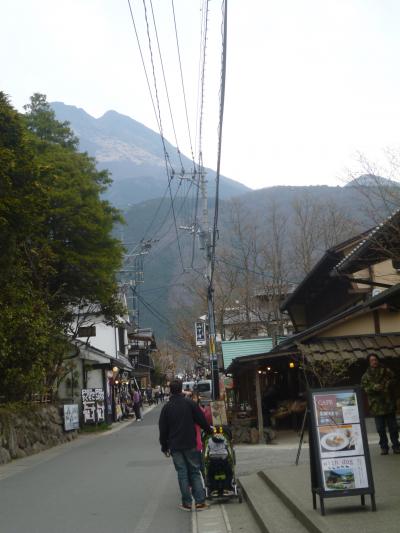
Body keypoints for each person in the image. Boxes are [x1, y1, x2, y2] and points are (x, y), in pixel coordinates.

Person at [159, 379, 212, 511]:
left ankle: (187, 503)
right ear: (181, 388)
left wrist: (164, 447)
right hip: (190, 442)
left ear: (170, 390)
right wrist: (210, 431)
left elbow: (163, 429)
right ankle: (200, 502)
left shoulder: (167, 408)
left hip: (175, 445)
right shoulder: (190, 404)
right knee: (194, 471)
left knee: (182, 473)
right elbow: (201, 419)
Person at [361, 353, 400, 455]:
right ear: (369, 363)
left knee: (393, 428)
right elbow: (364, 388)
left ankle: (396, 446)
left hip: (388, 403)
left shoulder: (386, 371)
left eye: (375, 359)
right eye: (372, 360)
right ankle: (384, 447)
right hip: (376, 406)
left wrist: (388, 384)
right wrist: (374, 387)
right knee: (380, 429)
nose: (374, 361)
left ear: (377, 360)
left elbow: (395, 380)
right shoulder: (366, 375)